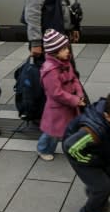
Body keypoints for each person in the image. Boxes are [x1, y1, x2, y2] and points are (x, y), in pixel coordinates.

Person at [37, 29, 86, 161]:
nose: (68, 51)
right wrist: (76, 100)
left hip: (69, 105)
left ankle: (73, 147)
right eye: (64, 49)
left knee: (68, 129)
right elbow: (56, 93)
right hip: (57, 109)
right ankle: (43, 149)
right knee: (52, 132)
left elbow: (74, 79)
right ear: (54, 52)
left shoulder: (65, 62)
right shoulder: (50, 70)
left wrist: (79, 94)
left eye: (67, 47)